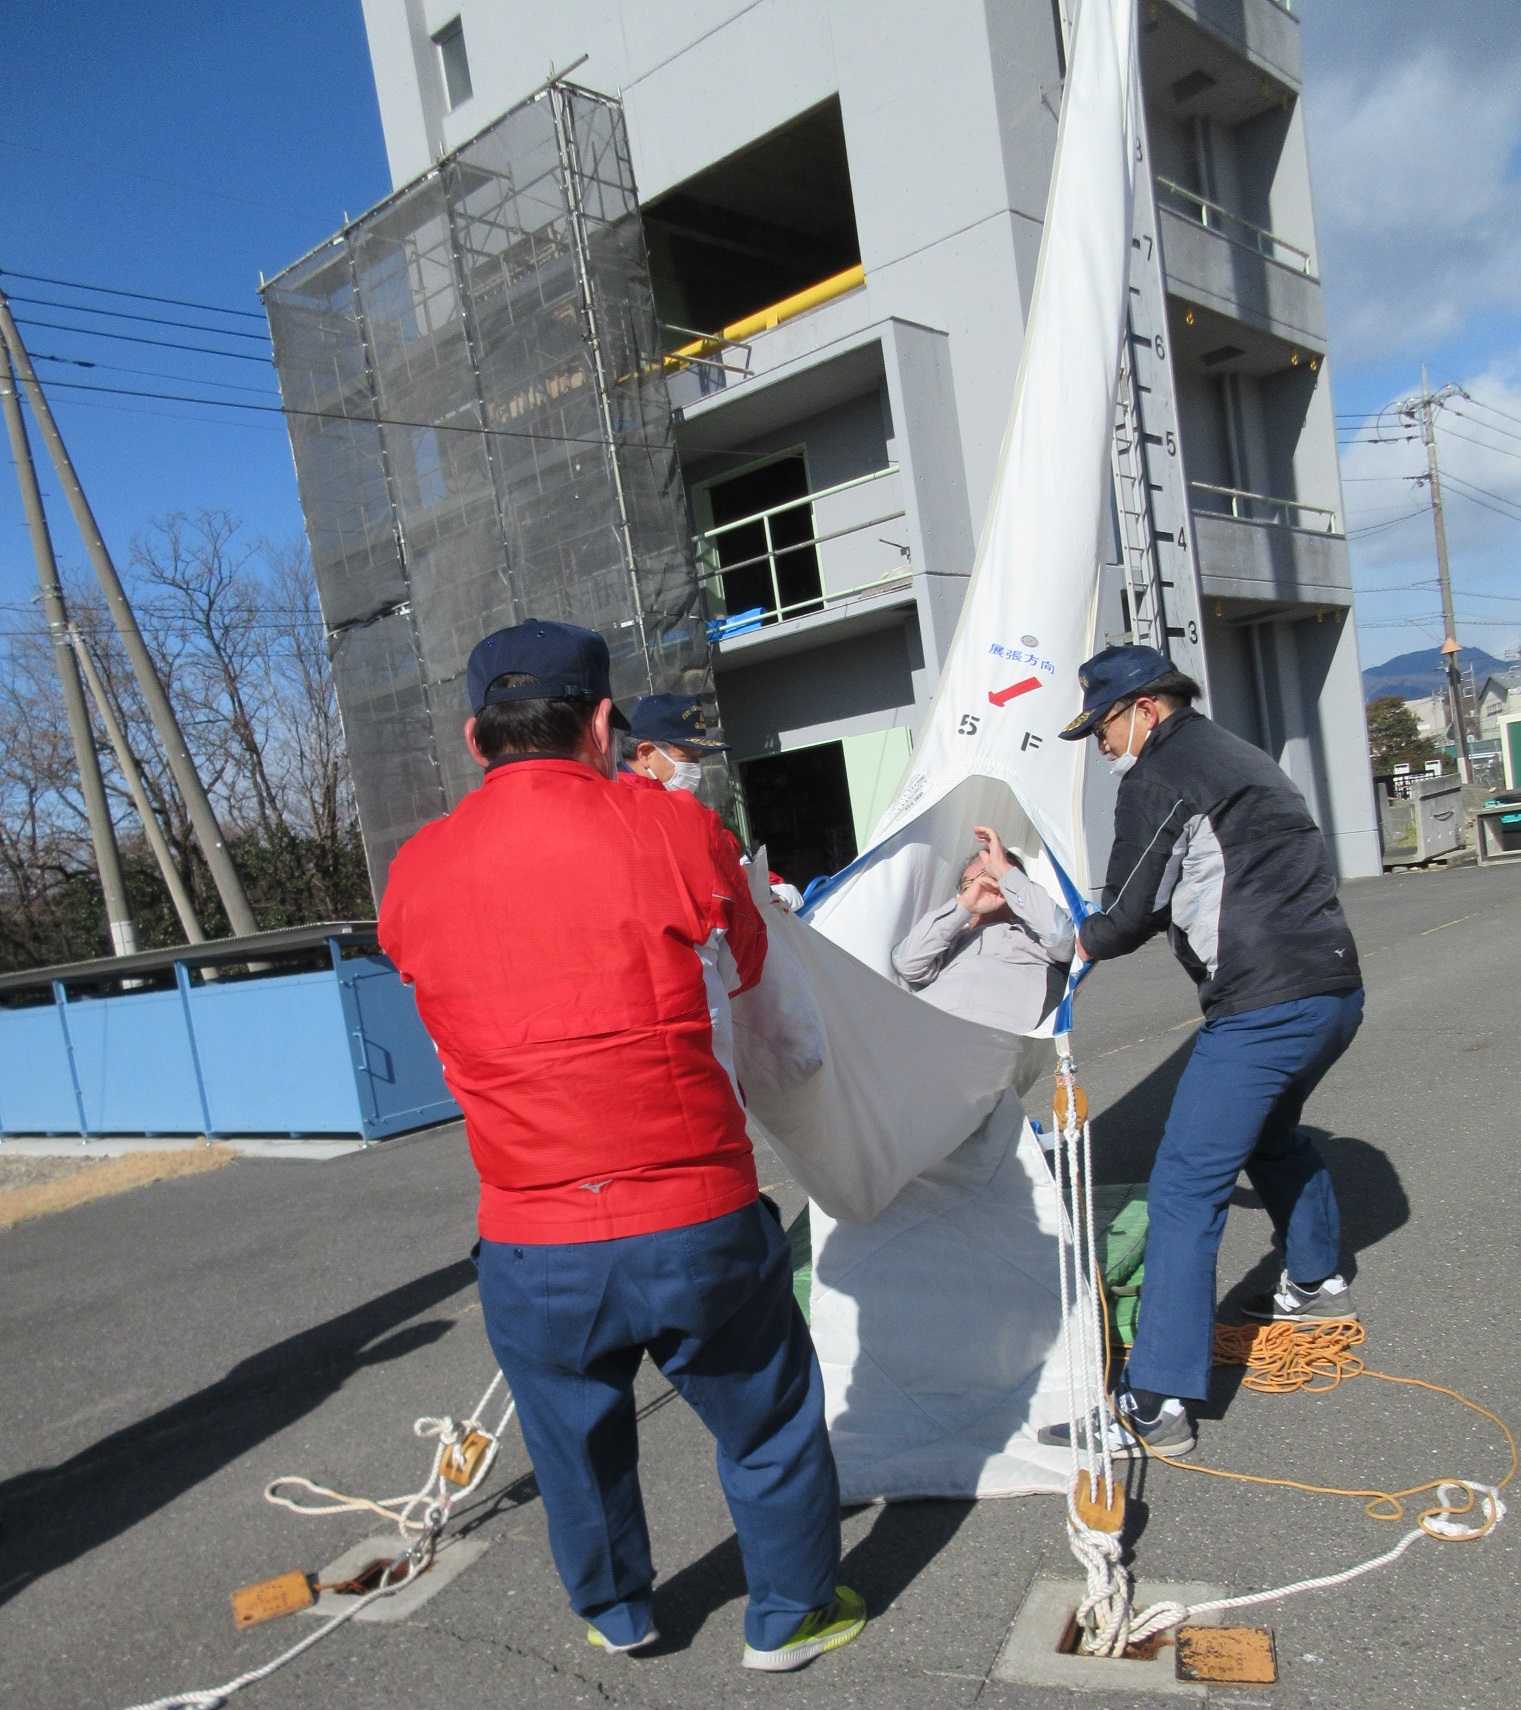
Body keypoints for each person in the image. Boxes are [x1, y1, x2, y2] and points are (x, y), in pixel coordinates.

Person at [379, 619, 865, 1672]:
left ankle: (619, 1612)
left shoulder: (415, 871)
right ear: (604, 723)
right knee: (767, 1420)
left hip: (530, 1230)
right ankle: (790, 1615)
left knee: (574, 1443)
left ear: (476, 739)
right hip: (694, 1211)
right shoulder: (673, 829)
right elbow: (748, 977)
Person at [1047, 643, 1364, 1460]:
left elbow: (1119, 919)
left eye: (1103, 727)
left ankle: (1153, 1398)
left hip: (1262, 1010)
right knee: (1271, 1133)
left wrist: (1039, 918)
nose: (1100, 746)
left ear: (1146, 707)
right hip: (1334, 993)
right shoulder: (1238, 754)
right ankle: (1316, 1273)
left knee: (1185, 1189)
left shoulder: (1162, 772)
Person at [891, 826, 1075, 1035]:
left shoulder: (1038, 929)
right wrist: (964, 907)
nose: (982, 883)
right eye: (970, 882)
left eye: (991, 874)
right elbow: (906, 963)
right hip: (926, 1029)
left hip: (1001, 1033)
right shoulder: (951, 938)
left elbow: (1062, 940)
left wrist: (1006, 875)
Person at [618, 692, 728, 793]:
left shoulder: (663, 799)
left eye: (698, 757)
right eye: (689, 757)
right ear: (645, 754)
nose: (696, 767)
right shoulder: (616, 802)